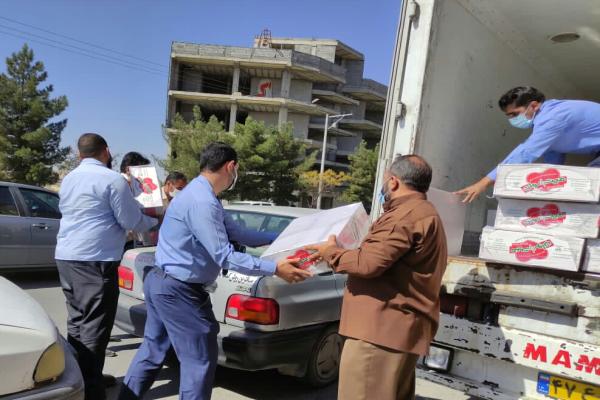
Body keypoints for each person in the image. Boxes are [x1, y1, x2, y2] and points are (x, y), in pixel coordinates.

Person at [119, 142, 312, 400]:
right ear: (231, 167)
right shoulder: (203, 202)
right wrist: (275, 268)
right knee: (198, 363)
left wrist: (284, 238)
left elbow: (239, 234)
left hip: (164, 284)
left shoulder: (201, 195)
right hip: (180, 292)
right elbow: (225, 256)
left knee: (153, 350)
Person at [305, 154, 448, 400]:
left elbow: (367, 264)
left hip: (379, 335)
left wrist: (331, 252)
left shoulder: (404, 216)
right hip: (395, 331)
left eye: (384, 181)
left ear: (393, 182)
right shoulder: (423, 212)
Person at [55, 133, 158, 400]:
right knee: (94, 328)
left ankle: (81, 378)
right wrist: (156, 219)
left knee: (77, 323)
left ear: (79, 154)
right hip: (94, 261)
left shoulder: (69, 178)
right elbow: (130, 221)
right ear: (106, 151)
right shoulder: (112, 180)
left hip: (66, 257)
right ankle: (90, 391)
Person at [456, 86, 600, 202]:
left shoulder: (552, 118)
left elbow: (526, 153)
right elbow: (553, 158)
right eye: (509, 116)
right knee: (591, 185)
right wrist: (548, 189)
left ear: (534, 105)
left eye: (515, 114)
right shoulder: (546, 121)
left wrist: (483, 183)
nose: (512, 119)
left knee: (593, 185)